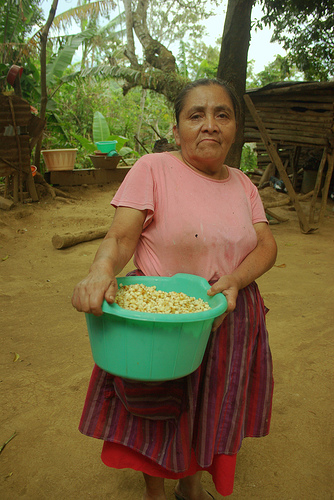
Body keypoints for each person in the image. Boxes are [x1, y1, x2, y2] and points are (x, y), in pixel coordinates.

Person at [72, 78, 277, 500]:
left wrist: (235, 281)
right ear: (177, 125)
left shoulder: (243, 184)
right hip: (161, 319)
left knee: (209, 404)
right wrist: (101, 269)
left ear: (235, 126)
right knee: (156, 408)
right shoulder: (153, 168)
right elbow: (122, 237)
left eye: (222, 114)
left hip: (227, 313)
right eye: (195, 115)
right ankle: (156, 493)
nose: (210, 125)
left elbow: (267, 245)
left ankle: (191, 483)